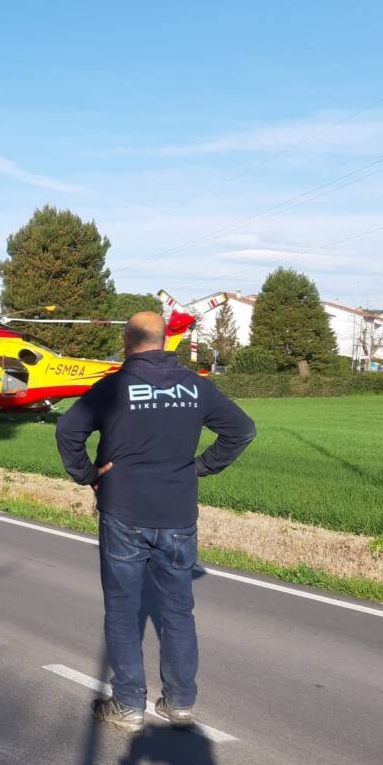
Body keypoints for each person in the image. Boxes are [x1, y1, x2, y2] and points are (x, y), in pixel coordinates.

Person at [55, 311, 256, 734]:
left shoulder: (113, 387)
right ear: (165, 342)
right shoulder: (196, 386)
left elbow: (68, 431)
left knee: (124, 611)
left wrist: (89, 474)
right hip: (178, 515)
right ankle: (180, 703)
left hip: (124, 511)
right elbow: (242, 430)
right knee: (179, 611)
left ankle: (128, 705)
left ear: (127, 343)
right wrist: (200, 467)